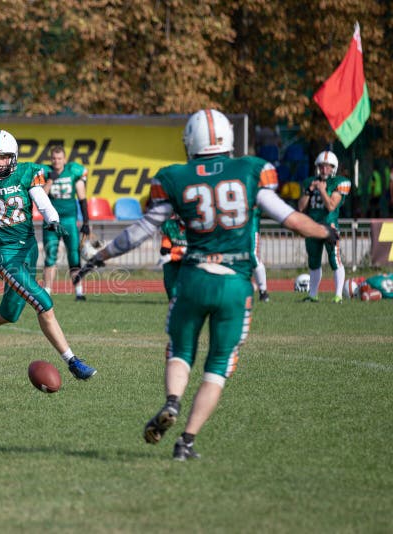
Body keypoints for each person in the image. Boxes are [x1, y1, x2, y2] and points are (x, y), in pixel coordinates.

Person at [74, 109, 338, 461]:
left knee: (180, 351)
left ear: (190, 142)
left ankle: (172, 401)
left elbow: (139, 232)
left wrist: (98, 257)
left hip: (194, 276)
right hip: (235, 282)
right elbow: (290, 218)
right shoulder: (251, 170)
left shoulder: (175, 177)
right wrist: (327, 231)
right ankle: (186, 441)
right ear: (227, 139)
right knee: (218, 367)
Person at [0, 129, 96, 380]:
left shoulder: (26, 173)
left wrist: (53, 220)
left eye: (2, 157)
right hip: (4, 255)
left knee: (9, 313)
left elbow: (42, 201)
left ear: (12, 157)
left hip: (28, 249)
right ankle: (73, 362)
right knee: (44, 304)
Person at [297, 150, 351, 303]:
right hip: (312, 226)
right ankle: (313, 295)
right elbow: (300, 208)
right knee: (313, 262)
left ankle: (338, 295)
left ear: (333, 168)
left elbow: (331, 206)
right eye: (321, 166)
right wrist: (310, 190)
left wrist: (321, 190)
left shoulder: (339, 182)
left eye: (328, 167)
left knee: (335, 260)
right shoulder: (310, 182)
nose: (324, 170)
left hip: (330, 227)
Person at [40, 145, 90, 300]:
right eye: (54, 158)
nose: (56, 161)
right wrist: (50, 179)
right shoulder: (46, 172)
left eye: (59, 158)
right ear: (51, 159)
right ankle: (47, 292)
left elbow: (82, 198)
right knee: (50, 255)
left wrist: (86, 222)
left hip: (69, 220)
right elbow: (40, 195)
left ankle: (79, 291)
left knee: (74, 256)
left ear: (65, 159)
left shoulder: (72, 171)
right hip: (50, 220)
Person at [158, 214, 186, 300]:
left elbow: (193, 250)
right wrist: (177, 252)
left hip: (190, 261)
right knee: (170, 286)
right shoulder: (169, 225)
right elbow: (165, 250)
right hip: (172, 262)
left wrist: (172, 254)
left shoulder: (199, 228)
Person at [252, 207, 270, 302]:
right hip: (231, 230)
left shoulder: (254, 192)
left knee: (253, 257)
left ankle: (263, 292)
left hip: (250, 228)